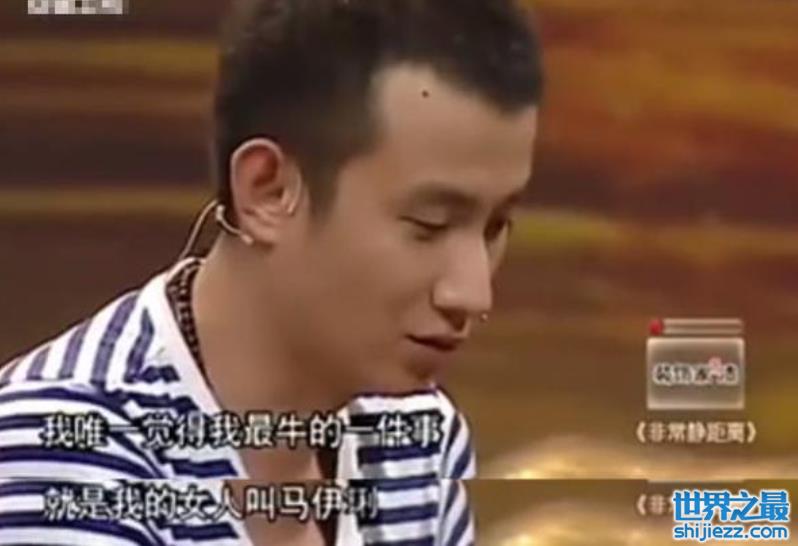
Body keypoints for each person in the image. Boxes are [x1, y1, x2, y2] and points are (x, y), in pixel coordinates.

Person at [0, 0, 543, 543]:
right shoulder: (58, 451)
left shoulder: (420, 444)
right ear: (268, 191)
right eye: (429, 224)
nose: (473, 293)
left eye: (495, 226)